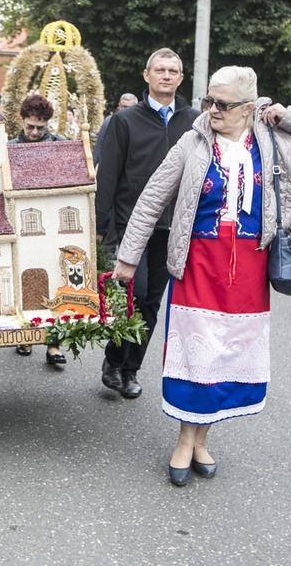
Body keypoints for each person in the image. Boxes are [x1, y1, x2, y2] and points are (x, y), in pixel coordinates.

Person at [112, 66, 291, 486]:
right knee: (196, 356)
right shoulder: (193, 141)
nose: (212, 110)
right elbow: (151, 198)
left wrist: (288, 116)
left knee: (226, 356)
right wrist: (128, 256)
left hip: (250, 266)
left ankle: (202, 439)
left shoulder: (276, 140)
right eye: (209, 101)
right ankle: (185, 440)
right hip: (199, 261)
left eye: (223, 104)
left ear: (250, 108)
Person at [94, 48, 200, 399]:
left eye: (173, 70)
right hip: (131, 224)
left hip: (174, 228)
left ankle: (130, 369)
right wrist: (99, 225)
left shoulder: (195, 122)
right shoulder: (124, 121)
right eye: (160, 70)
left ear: (181, 78)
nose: (166, 75)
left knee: (153, 302)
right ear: (146, 75)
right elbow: (107, 175)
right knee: (134, 294)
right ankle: (113, 359)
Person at [8, 94, 68, 368]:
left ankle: (53, 342)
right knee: (25, 280)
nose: (34, 133)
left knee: (54, 280)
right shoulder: (8, 148)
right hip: (20, 224)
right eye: (30, 126)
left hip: (51, 223)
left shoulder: (60, 146)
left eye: (40, 128)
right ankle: (26, 334)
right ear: (21, 121)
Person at [92, 93, 138, 166]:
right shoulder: (108, 121)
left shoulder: (140, 124)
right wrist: (92, 167)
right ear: (119, 106)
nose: (126, 110)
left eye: (130, 107)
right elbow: (99, 146)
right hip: (111, 164)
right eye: (124, 107)